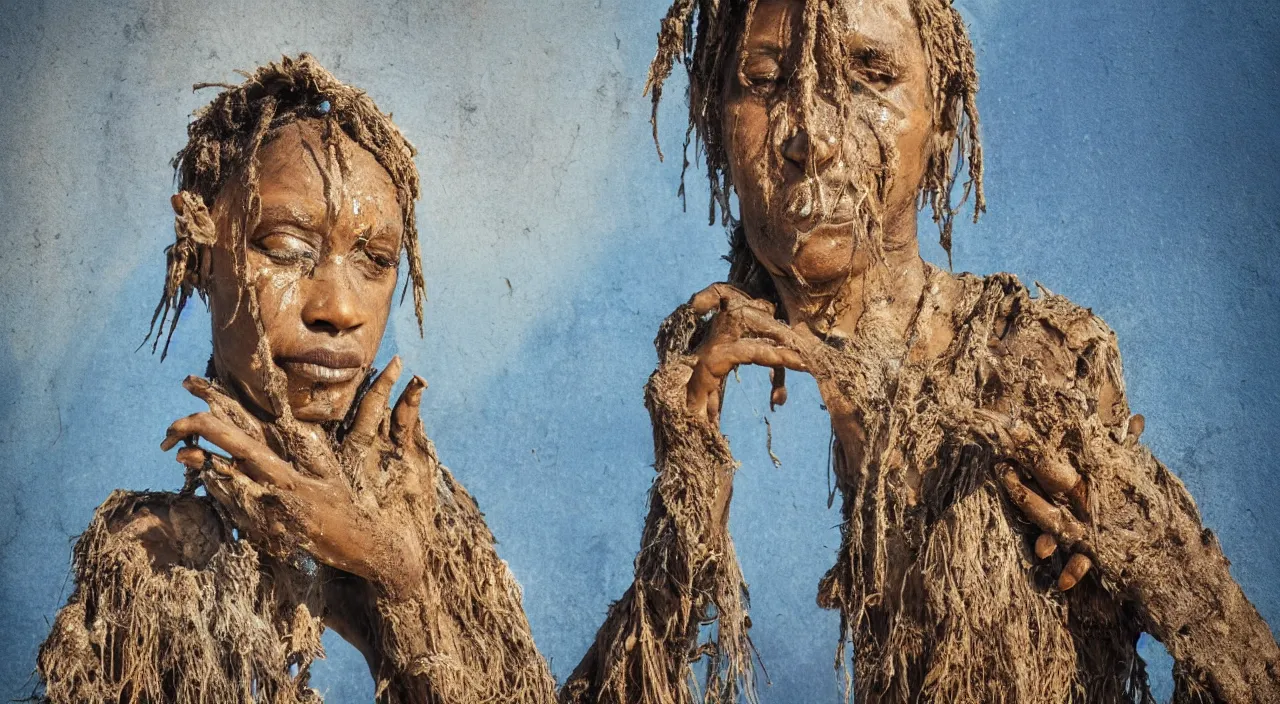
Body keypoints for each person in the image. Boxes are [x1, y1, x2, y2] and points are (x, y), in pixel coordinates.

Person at [563, 1, 1280, 703]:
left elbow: (1243, 665)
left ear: (941, 120)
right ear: (714, 122)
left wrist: (1135, 550)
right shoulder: (699, 379)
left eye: (871, 73)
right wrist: (684, 508)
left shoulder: (1029, 363)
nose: (812, 133)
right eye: (767, 80)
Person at [35, 55, 557, 704]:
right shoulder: (154, 558)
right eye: (285, 249)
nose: (338, 309)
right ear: (202, 249)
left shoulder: (431, 529)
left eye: (375, 260)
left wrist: (395, 569)